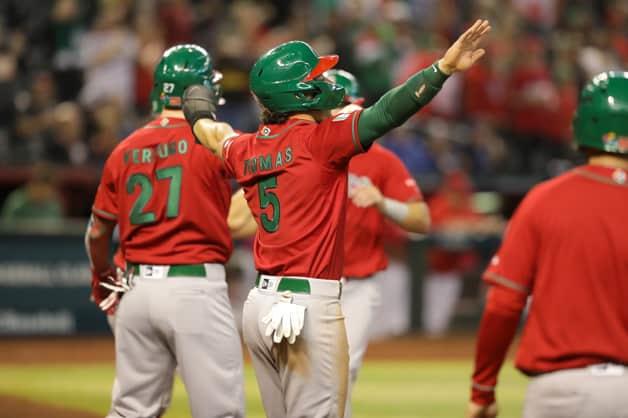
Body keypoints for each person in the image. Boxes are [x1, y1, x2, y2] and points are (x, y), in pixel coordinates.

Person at [184, 19, 490, 418]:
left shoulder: (243, 147)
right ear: (298, 92)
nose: (324, 79)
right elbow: (388, 111)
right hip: (308, 305)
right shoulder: (322, 142)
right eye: (315, 75)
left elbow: (210, 132)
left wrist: (196, 106)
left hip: (259, 304)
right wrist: (442, 70)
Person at [85, 44, 246, 418]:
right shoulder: (214, 142)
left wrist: (103, 276)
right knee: (220, 412)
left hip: (136, 290)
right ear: (198, 91)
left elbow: (96, 233)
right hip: (194, 287)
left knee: (131, 411)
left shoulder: (124, 147)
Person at [467, 71, 628, 418]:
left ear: (582, 125)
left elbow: (504, 304)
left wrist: (483, 388)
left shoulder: (546, 199)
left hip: (564, 391)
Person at [325, 68, 431, 418]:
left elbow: (421, 220)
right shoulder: (306, 147)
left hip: (356, 284)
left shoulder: (380, 159)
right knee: (304, 375)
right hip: (308, 281)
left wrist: (383, 203)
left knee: (341, 371)